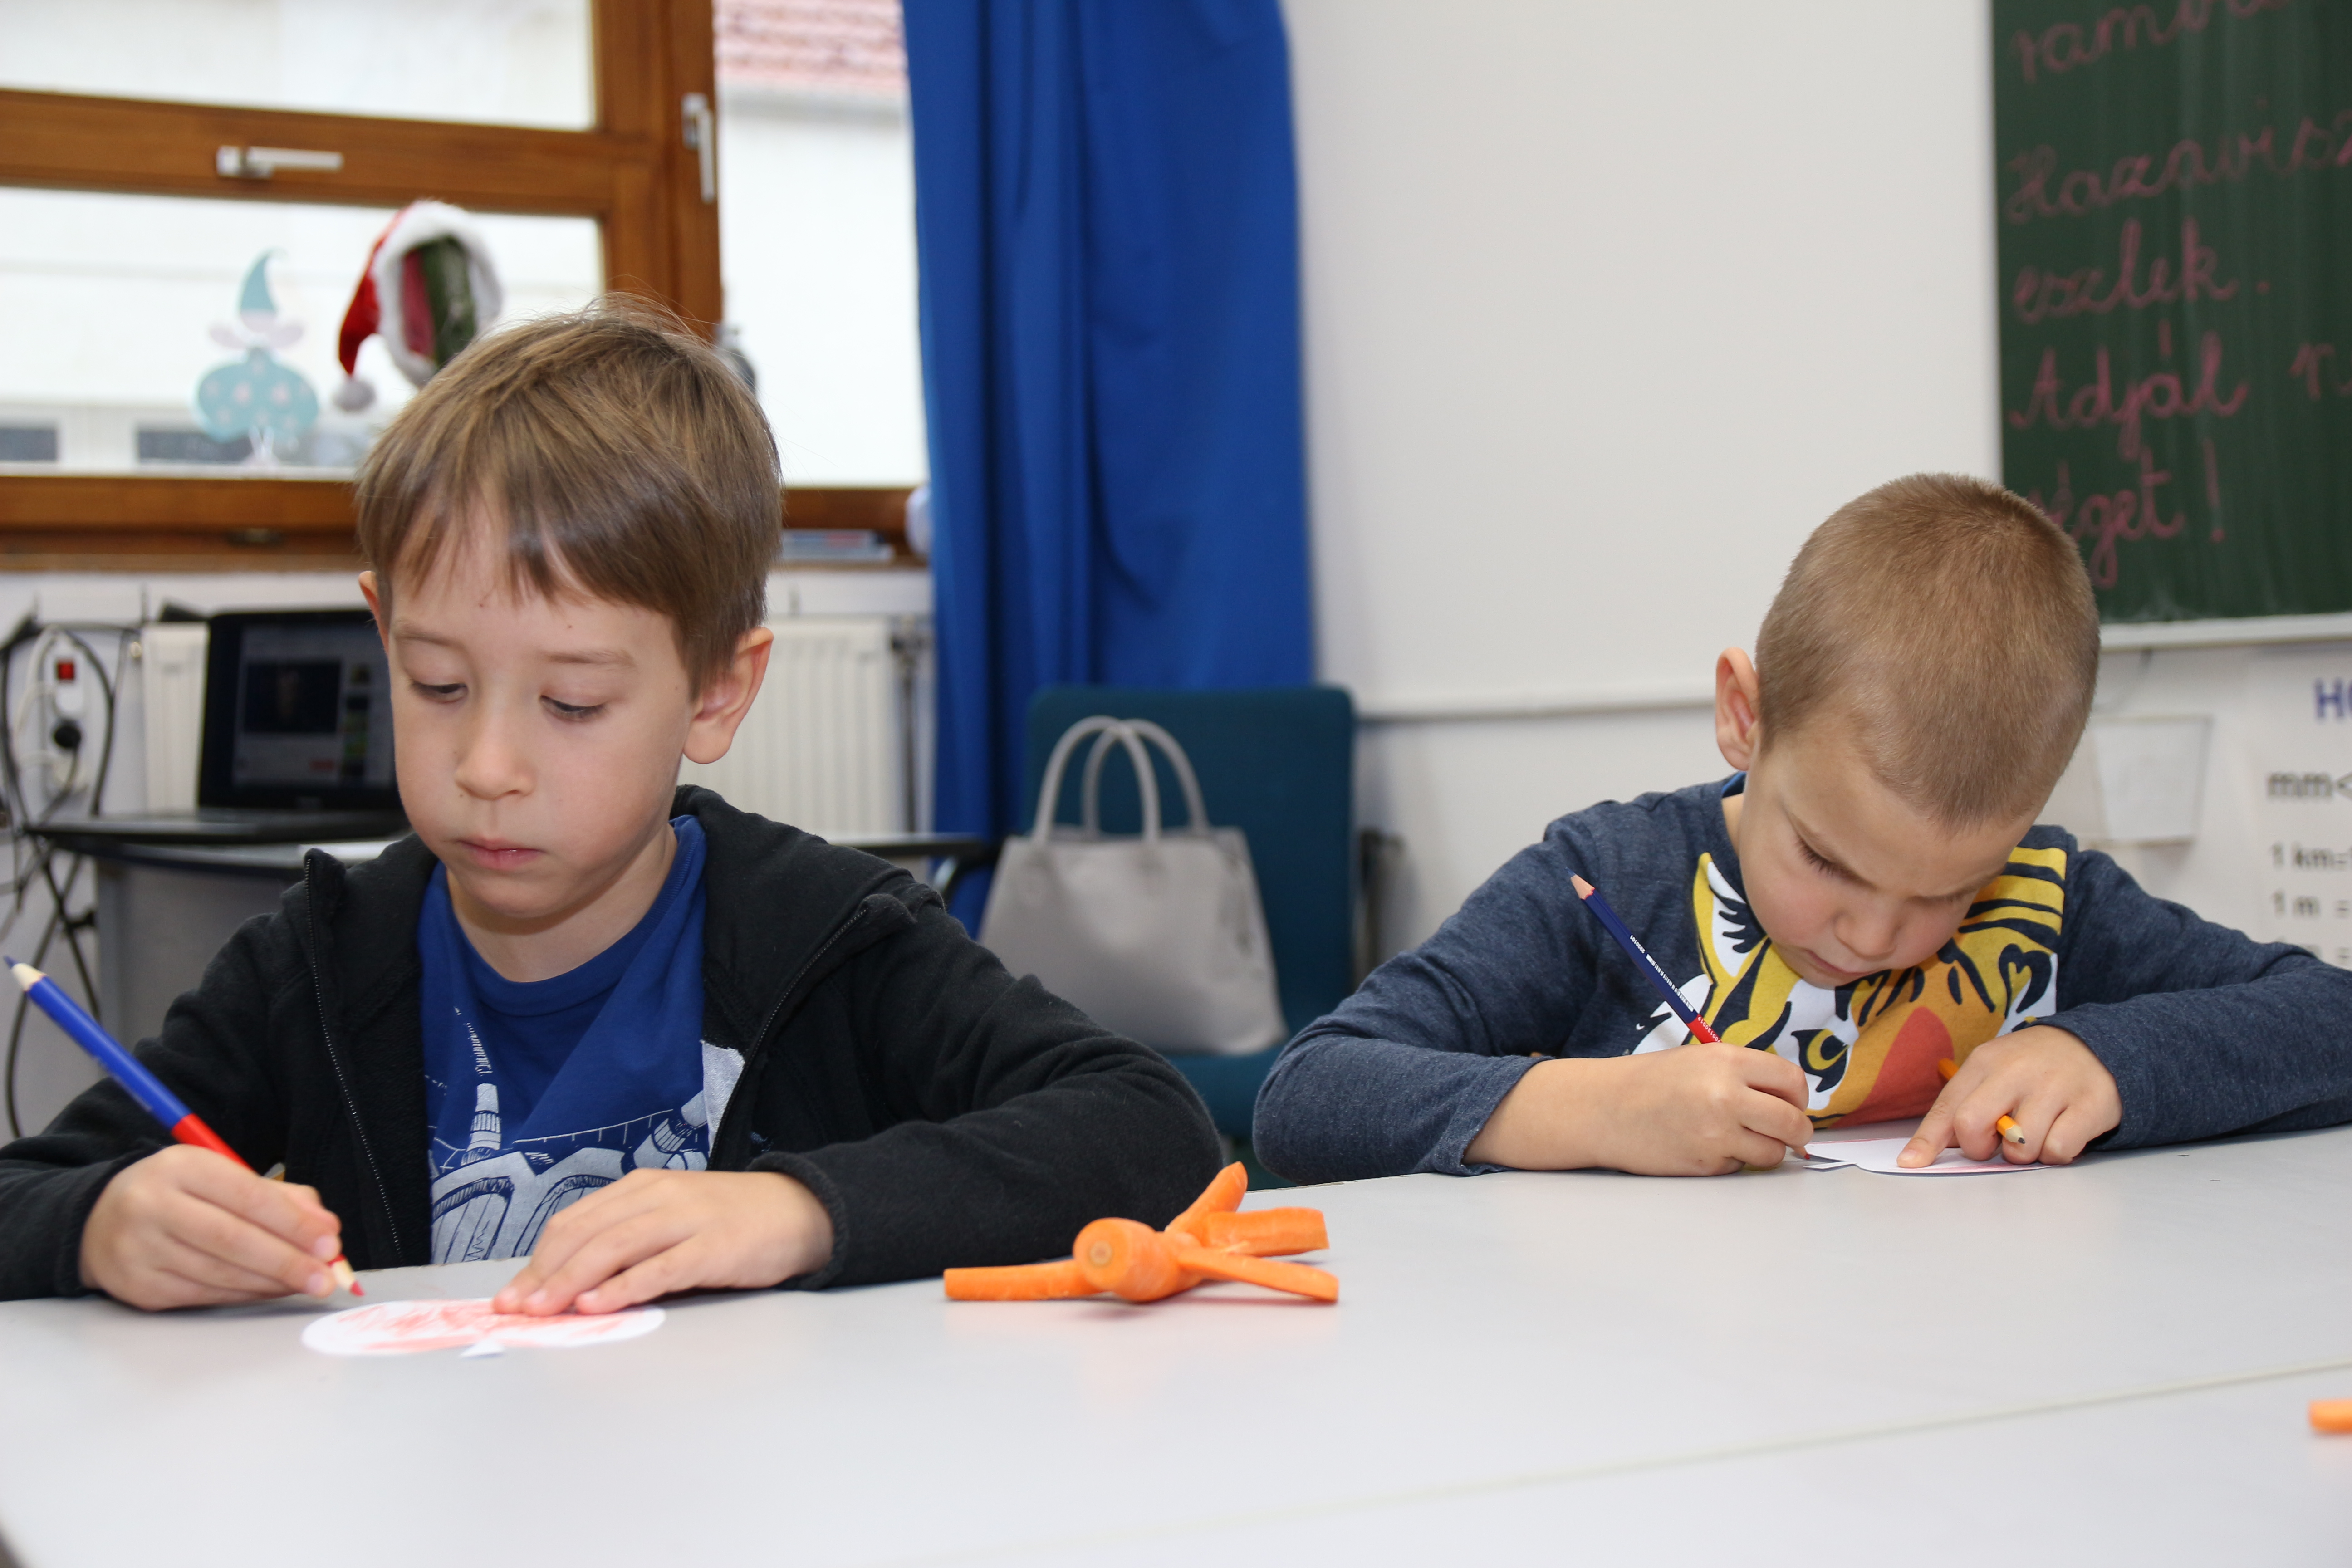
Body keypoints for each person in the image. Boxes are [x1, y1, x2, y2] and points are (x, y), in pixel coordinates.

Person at [0, 299, 1219, 1309]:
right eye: (438, 685)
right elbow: (20, 1194)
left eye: (571, 702)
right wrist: (101, 1223)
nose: (488, 764)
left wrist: (798, 1211)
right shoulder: (314, 966)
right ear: (384, 635)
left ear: (716, 692)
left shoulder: (828, 941)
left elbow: (1150, 1131)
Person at [1254, 473, 2352, 1183]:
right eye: (1826, 859)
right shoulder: (1607, 881)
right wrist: (1588, 1112)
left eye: (1949, 891)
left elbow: (2330, 1019)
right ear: (1747, 716)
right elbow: (1307, 1098)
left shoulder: (2046, 900)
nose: (1875, 935)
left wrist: (2109, 1056)